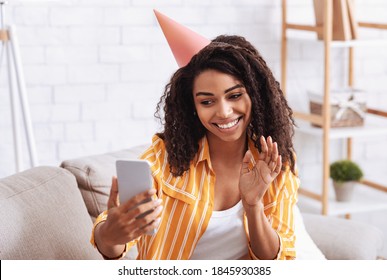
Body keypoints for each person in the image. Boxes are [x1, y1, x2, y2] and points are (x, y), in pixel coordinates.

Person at [90, 12, 299, 260]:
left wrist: (253, 206)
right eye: (207, 101)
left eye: (234, 96)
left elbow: (278, 261)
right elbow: (114, 237)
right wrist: (110, 236)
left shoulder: (275, 163)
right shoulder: (164, 160)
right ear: (193, 106)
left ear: (255, 95)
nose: (223, 112)